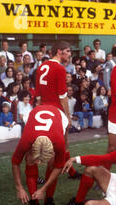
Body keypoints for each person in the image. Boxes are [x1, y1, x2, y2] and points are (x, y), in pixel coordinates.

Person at [11, 104, 69, 205]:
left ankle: (49, 199)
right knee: (30, 159)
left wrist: (44, 188)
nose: (39, 162)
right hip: (33, 115)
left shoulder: (59, 141)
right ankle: (34, 202)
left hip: (58, 115)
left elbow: (58, 166)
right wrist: (19, 187)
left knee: (53, 163)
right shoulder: (26, 140)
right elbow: (15, 162)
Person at [35, 41, 80, 180]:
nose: (70, 54)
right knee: (57, 147)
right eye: (68, 51)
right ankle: (50, 181)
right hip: (56, 112)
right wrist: (68, 116)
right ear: (59, 51)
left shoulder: (41, 67)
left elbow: (38, 95)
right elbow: (63, 96)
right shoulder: (60, 69)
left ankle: (71, 171)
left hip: (43, 110)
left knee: (56, 145)